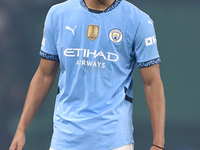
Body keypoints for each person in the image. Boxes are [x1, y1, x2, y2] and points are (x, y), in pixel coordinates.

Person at [9, 0, 166, 150]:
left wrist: (158, 142)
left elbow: (152, 82)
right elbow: (44, 75)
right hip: (65, 138)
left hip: (114, 139)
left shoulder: (138, 21)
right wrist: (21, 128)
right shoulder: (58, 14)